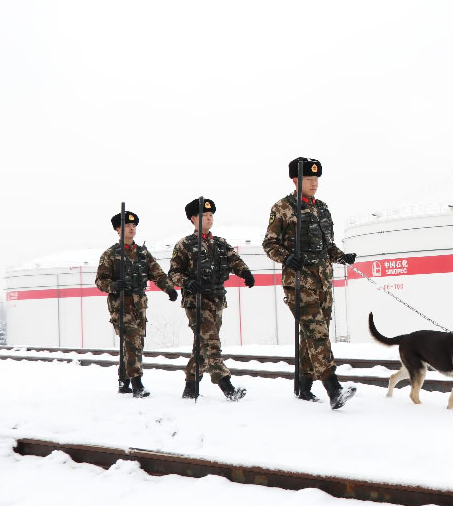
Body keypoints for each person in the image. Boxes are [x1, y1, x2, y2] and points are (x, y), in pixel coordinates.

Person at [263, 157, 357, 409]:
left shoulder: (323, 208)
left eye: (316, 179)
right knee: (318, 334)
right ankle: (333, 388)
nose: (314, 183)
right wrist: (286, 257)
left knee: (311, 336)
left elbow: (327, 245)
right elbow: (269, 244)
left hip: (323, 282)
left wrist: (341, 256)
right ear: (296, 180)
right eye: (309, 179)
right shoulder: (283, 208)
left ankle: (303, 387)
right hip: (299, 282)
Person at [168, 198, 254, 401]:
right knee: (211, 343)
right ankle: (227, 386)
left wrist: (246, 273)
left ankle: (190, 387)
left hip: (216, 301)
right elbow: (173, 273)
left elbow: (235, 260)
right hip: (196, 303)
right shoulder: (185, 245)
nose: (209, 218)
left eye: (211, 215)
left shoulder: (219, 243)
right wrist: (187, 282)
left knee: (201, 346)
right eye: (204, 215)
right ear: (193, 219)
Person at [95, 210, 178, 398]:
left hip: (139, 304)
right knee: (132, 340)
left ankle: (124, 381)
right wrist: (114, 285)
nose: (131, 228)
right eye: (126, 225)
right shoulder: (110, 254)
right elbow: (100, 281)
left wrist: (169, 289)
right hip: (120, 305)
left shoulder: (142, 253)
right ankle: (137, 384)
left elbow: (157, 273)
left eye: (134, 225)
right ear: (117, 229)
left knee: (135, 343)